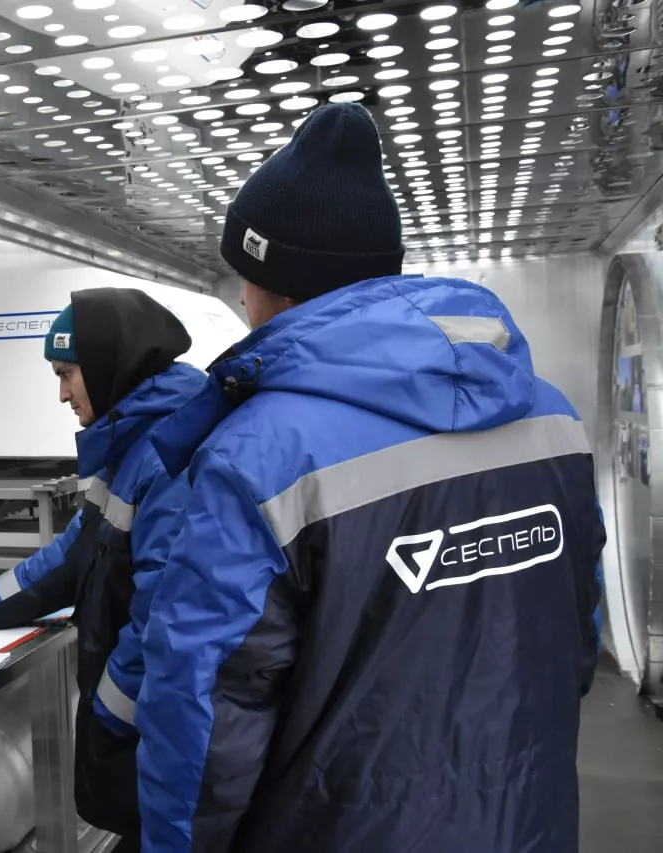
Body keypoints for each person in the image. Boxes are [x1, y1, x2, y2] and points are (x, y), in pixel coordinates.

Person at [136, 103, 605, 853]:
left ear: (272, 284)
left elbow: (207, 716)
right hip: (530, 816)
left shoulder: (259, 455)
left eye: (243, 277)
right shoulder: (553, 417)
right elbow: (578, 638)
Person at [0, 287, 206, 850]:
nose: (63, 394)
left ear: (110, 365)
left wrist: (107, 715)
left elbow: (162, 628)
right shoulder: (133, 445)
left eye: (67, 374)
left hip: (156, 736)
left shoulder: (171, 456)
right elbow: (73, 553)